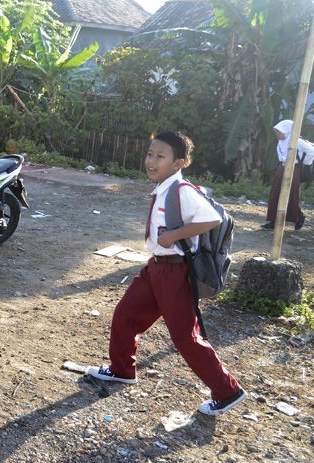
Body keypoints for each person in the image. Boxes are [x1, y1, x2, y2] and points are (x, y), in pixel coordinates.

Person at [88, 131, 246, 417]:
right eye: (150, 154)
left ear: (179, 162)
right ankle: (122, 370)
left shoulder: (182, 190)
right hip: (156, 269)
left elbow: (212, 218)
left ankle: (227, 391)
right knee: (125, 315)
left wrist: (174, 235)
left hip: (175, 273)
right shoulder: (164, 187)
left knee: (186, 337)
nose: (151, 161)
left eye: (160, 156)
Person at [262, 119, 314, 230]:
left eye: (279, 132)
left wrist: (302, 162)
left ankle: (298, 216)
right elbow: (282, 156)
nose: (277, 134)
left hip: (293, 170)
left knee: (291, 195)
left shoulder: (295, 140)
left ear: (286, 131)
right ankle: (273, 221)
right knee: (275, 194)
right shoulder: (282, 141)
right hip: (282, 168)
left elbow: (312, 151)